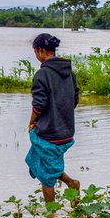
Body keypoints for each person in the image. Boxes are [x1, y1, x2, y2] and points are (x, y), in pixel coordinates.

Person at [25, 33, 80, 205]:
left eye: (35, 52)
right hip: (66, 131)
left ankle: (50, 215)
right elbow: (75, 99)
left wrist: (31, 122)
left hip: (50, 134)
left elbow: (38, 105)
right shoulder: (69, 72)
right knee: (42, 162)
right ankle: (71, 184)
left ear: (40, 50)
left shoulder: (43, 74)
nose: (36, 56)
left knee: (47, 179)